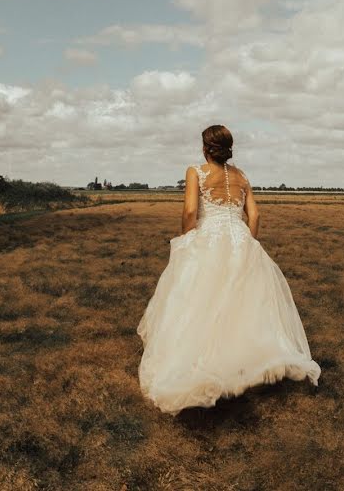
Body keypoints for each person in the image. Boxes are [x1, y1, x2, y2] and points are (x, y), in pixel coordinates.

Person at [137, 124, 320, 415]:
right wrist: (249, 242)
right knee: (242, 306)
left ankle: (200, 365)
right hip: (240, 240)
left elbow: (189, 211)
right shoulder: (242, 176)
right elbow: (255, 214)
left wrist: (187, 239)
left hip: (208, 238)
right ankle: (242, 365)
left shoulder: (195, 172)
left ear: (206, 147)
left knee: (198, 303)